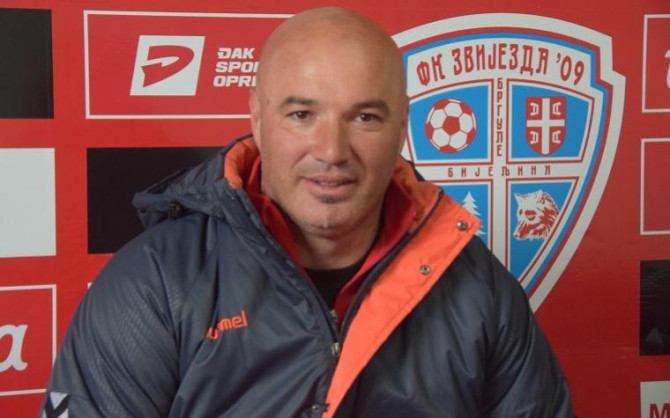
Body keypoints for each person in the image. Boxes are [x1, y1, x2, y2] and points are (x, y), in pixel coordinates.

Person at [42, 7, 573, 417]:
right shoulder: (154, 283)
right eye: (301, 114)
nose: (332, 151)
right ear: (257, 115)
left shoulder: (480, 289)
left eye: (364, 117)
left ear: (402, 126)